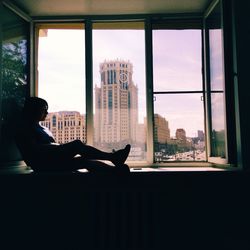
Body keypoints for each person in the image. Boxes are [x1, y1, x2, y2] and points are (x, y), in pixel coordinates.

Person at [15, 97, 131, 173]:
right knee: (77, 145)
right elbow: (33, 151)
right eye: (44, 109)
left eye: (47, 109)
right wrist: (61, 148)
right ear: (33, 109)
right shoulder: (25, 128)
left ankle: (115, 171)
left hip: (52, 160)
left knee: (83, 161)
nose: (46, 112)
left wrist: (60, 149)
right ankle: (113, 157)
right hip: (43, 163)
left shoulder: (42, 128)